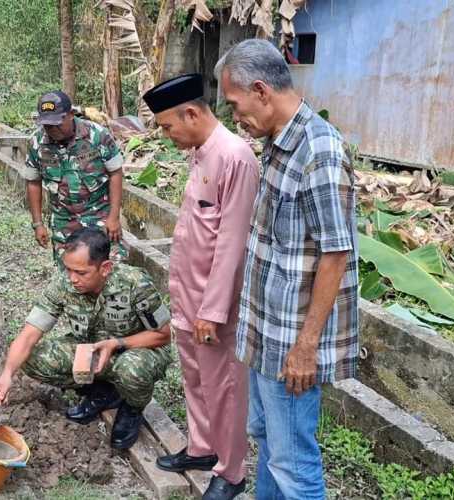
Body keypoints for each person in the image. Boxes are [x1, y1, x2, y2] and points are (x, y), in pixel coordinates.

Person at [216, 39, 360, 499]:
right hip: (266, 333)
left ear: (261, 90)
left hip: (292, 344)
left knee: (295, 465)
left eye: (235, 105)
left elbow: (336, 254)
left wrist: (306, 348)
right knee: (269, 442)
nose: (234, 117)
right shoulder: (279, 142)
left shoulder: (319, 150)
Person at [142, 74, 258, 500]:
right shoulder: (199, 153)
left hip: (213, 305)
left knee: (224, 386)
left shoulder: (235, 157)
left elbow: (232, 242)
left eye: (168, 126)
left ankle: (231, 472)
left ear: (191, 113)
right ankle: (203, 448)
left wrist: (212, 310)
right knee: (195, 376)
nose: (167, 135)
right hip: (187, 298)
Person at [0, 227, 172, 449]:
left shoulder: (135, 283)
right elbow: (28, 335)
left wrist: (118, 343)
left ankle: (132, 407)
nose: (73, 279)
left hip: (133, 352)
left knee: (132, 370)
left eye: (82, 273)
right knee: (33, 357)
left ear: (105, 268)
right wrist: (7, 375)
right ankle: (104, 393)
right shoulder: (63, 284)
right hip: (92, 353)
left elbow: (164, 334)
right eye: (68, 270)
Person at [24, 91, 126, 266]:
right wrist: (38, 223)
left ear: (71, 114)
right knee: (70, 278)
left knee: (109, 271)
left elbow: (116, 173)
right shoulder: (37, 142)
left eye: (57, 124)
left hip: (99, 218)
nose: (52, 130)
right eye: (47, 125)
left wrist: (114, 217)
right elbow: (33, 182)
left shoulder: (97, 135)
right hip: (63, 223)